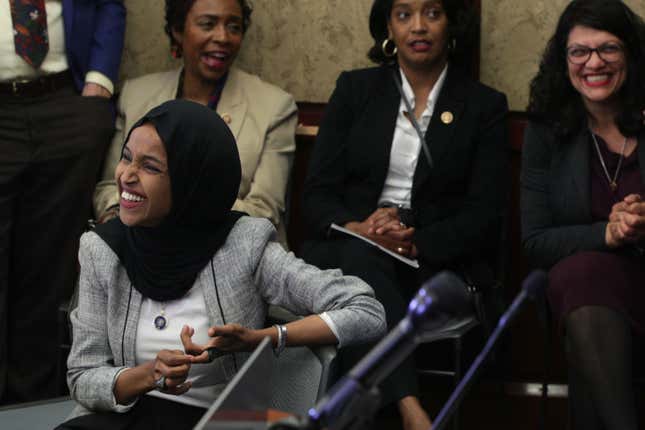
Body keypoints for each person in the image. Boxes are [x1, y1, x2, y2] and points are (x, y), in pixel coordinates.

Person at [58, 100, 386, 430]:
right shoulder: (103, 249)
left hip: (218, 421)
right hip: (126, 419)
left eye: (150, 167)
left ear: (193, 178)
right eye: (126, 157)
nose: (126, 176)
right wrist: (147, 375)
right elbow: (83, 377)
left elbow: (366, 311)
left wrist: (266, 337)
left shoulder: (244, 244)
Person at [301, 0, 508, 428]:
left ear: (451, 23)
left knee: (354, 284)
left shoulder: (483, 105)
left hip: (431, 262)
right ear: (388, 27)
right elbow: (317, 195)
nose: (418, 26)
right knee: (357, 264)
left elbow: (483, 215)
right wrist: (360, 228)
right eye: (404, 14)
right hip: (348, 247)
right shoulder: (356, 91)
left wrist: (413, 239)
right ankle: (409, 407)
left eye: (433, 12)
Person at [522, 1, 645, 429]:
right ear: (564, 60)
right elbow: (534, 240)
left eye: (608, 48)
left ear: (630, 53)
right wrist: (606, 235)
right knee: (583, 276)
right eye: (579, 52)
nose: (594, 63)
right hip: (587, 293)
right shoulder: (546, 129)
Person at [0, 0, 125, 403]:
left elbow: (109, 6)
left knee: (48, 272)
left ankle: (27, 407)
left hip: (65, 105)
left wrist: (98, 85)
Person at [94, 0, 296, 245]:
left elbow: (264, 211)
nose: (223, 37)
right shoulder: (136, 95)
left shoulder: (274, 107)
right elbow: (108, 188)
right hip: (140, 246)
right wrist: (117, 215)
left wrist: (165, 202)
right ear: (179, 30)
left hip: (230, 253)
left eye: (234, 26)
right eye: (208, 24)